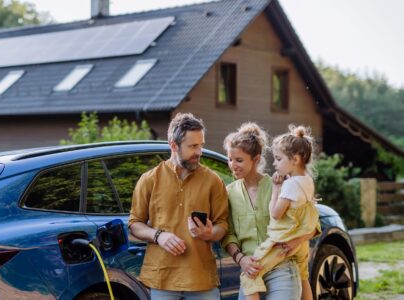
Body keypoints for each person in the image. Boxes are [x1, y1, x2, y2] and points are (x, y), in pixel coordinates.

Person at [128, 112, 229, 300]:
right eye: (193, 146)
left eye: (201, 145)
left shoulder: (213, 181)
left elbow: (222, 224)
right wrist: (159, 236)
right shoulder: (149, 179)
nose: (199, 152)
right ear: (173, 145)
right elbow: (135, 223)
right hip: (162, 278)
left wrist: (210, 233)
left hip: (202, 279)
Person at [222, 122, 319, 300]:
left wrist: (295, 242)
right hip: (251, 271)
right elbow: (229, 234)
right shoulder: (229, 193)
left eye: (239, 160)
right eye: (230, 159)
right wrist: (241, 259)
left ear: (256, 159)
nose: (232, 165)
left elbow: (311, 224)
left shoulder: (282, 185)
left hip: (281, 266)